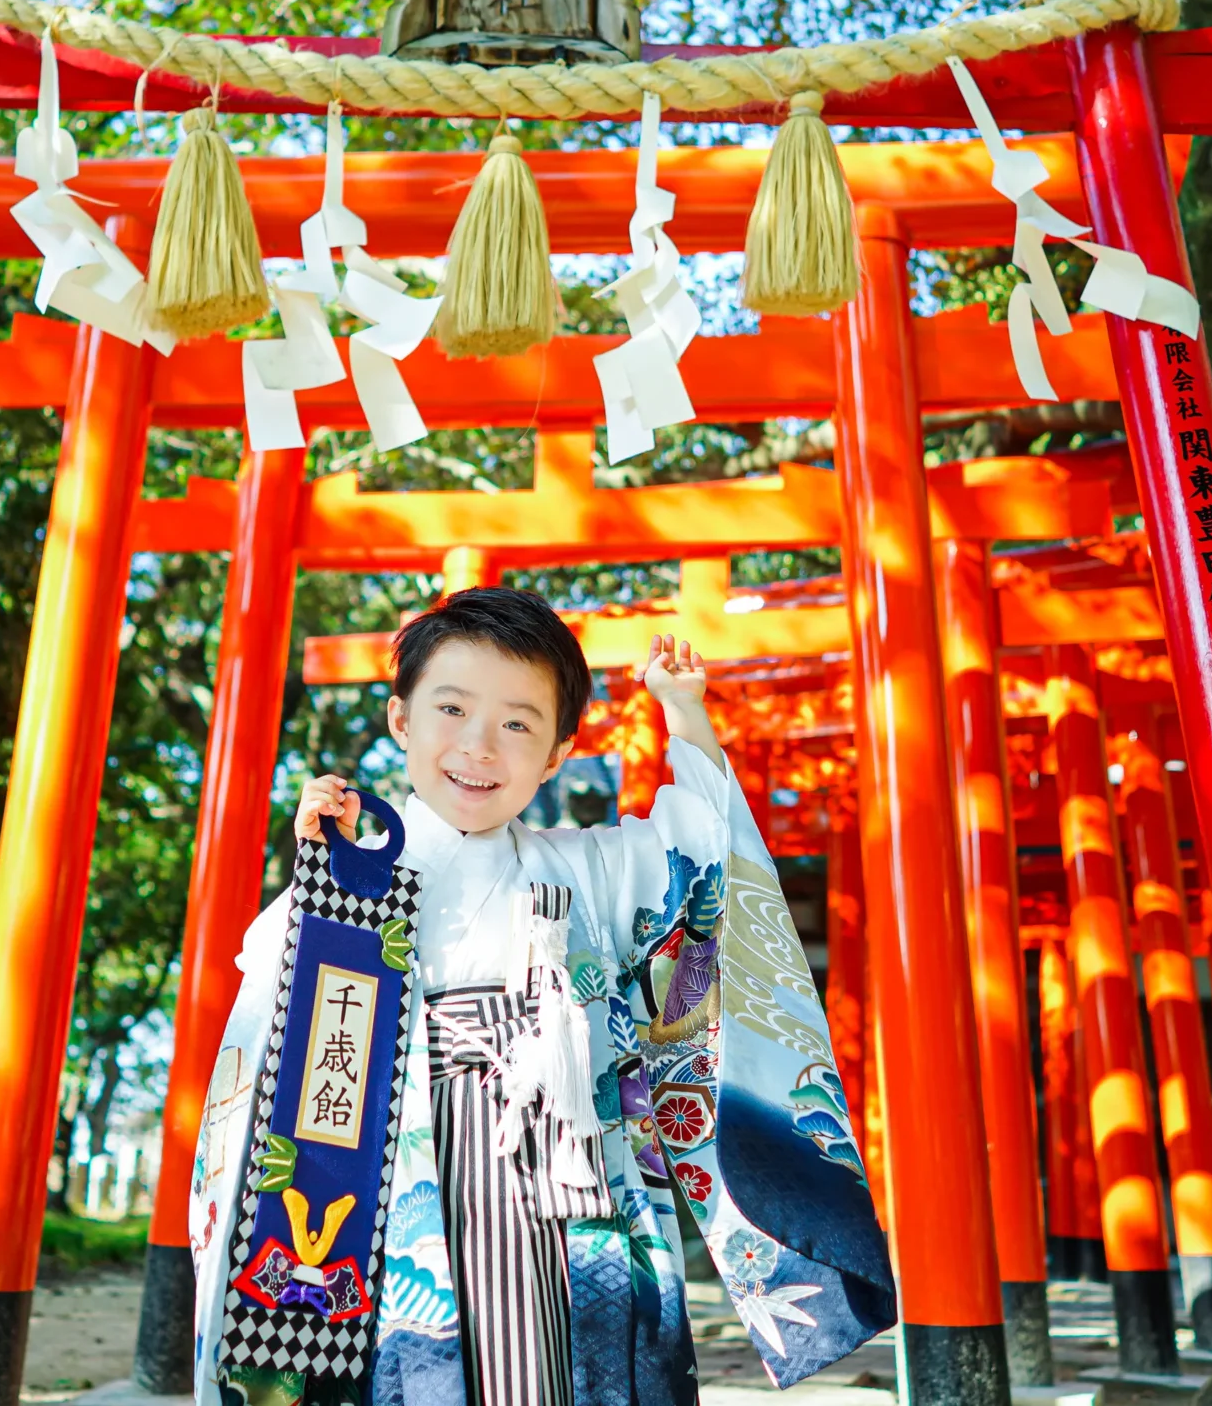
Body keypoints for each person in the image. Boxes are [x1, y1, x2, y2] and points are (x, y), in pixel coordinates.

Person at [192, 587, 893, 1406]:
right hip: (397, 1204)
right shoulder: (356, 874)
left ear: (558, 753)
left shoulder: (591, 868)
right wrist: (323, 892)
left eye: (518, 724)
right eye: (450, 709)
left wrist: (683, 712)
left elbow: (705, 853)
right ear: (400, 721)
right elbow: (275, 1047)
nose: (478, 747)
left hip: (568, 1198)